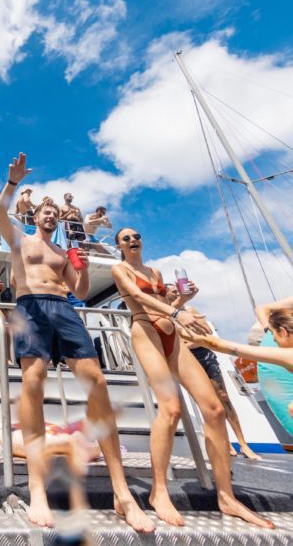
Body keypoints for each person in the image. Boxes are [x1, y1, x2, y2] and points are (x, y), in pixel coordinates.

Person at [0, 153, 154, 533]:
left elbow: (79, 291)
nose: (49, 216)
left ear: (58, 221)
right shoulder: (20, 239)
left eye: (54, 214)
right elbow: (1, 213)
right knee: (33, 386)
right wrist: (13, 182)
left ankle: (122, 492)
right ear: (35, 217)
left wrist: (79, 266)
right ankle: (37, 488)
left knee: (97, 384)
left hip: (63, 308)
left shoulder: (63, 253)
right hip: (29, 306)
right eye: (44, 213)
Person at [111, 227, 273, 529]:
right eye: (126, 238)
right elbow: (135, 297)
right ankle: (158, 492)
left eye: (137, 236)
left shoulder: (155, 270)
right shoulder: (119, 268)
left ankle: (226, 496)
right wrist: (176, 314)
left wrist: (183, 301)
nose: (133, 240)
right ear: (119, 246)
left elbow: (167, 307)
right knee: (170, 408)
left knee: (214, 409)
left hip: (172, 335)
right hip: (146, 333)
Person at [164, 283, 261, 461]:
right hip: (184, 359)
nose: (177, 293)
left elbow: (206, 333)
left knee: (223, 397)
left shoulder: (189, 309)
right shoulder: (164, 312)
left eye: (177, 291)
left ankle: (243, 443)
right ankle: (225, 442)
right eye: (173, 292)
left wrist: (188, 340)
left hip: (203, 355)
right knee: (206, 401)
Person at [184, 298, 293, 434]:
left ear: (283, 332)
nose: (273, 340)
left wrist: (182, 333)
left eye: (273, 336)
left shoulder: (288, 355)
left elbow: (230, 348)